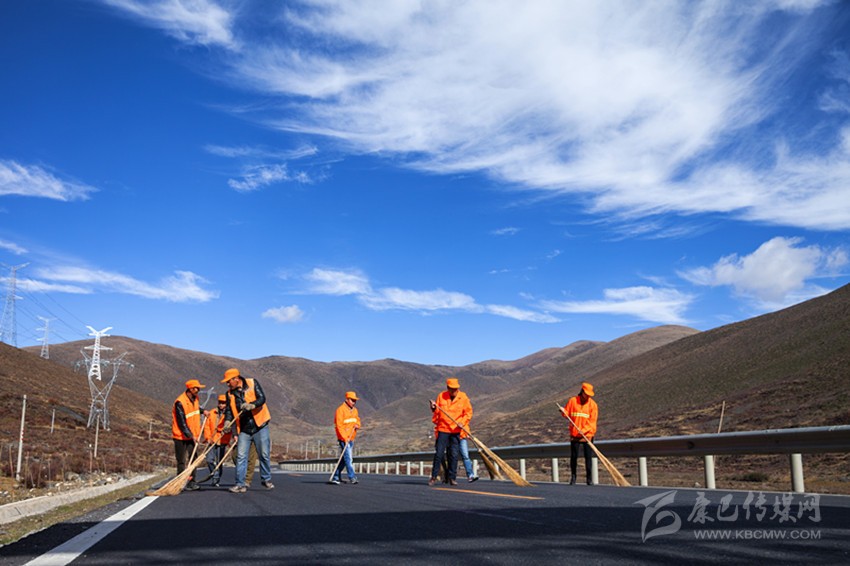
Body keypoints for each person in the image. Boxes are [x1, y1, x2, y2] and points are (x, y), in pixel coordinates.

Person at [222, 368, 274, 493]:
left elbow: (262, 398)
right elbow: (229, 410)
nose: (227, 384)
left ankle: (266, 479)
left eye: (229, 381)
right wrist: (227, 421)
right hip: (244, 429)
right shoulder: (229, 394)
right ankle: (240, 484)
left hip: (260, 425)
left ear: (236, 379)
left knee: (264, 454)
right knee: (241, 456)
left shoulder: (252, 383)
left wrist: (252, 405)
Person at [428, 377, 472, 486]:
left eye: (456, 388)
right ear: (448, 388)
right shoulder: (441, 396)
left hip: (455, 430)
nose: (454, 391)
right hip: (443, 429)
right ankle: (433, 477)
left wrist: (462, 422)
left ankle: (452, 478)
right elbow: (437, 413)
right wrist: (433, 408)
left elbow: (468, 413)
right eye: (452, 389)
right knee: (439, 454)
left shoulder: (463, 397)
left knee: (454, 455)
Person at [172, 379, 207, 491]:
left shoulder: (195, 399)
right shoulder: (180, 402)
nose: (198, 390)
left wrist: (203, 411)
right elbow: (182, 423)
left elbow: (195, 409)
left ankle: (192, 482)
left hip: (192, 436)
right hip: (180, 436)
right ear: (190, 389)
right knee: (181, 460)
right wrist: (191, 435)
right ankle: (179, 483)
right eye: (196, 388)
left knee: (193, 459)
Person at [562, 382, 598, 485]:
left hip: (587, 435)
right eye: (586, 394)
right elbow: (567, 414)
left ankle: (589, 479)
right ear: (582, 392)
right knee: (574, 457)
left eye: (589, 395)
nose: (588, 396)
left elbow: (592, 422)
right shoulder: (572, 401)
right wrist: (563, 411)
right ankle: (573, 477)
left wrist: (584, 430)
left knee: (588, 457)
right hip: (575, 434)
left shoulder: (593, 405)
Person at [329, 391, 361, 485]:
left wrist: (358, 425)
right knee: (348, 458)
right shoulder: (340, 410)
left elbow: (357, 420)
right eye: (352, 400)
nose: (354, 402)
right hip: (344, 439)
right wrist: (344, 438)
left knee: (344, 459)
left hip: (351, 438)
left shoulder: (355, 410)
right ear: (347, 399)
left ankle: (335, 476)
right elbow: (339, 426)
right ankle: (352, 477)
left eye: (355, 400)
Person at [203, 394, 232, 487]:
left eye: (223, 403)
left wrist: (227, 439)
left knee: (219, 461)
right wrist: (208, 438)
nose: (221, 405)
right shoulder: (212, 413)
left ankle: (216, 478)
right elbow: (206, 427)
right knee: (209, 460)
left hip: (222, 440)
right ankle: (215, 475)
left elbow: (231, 429)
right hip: (211, 441)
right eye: (220, 403)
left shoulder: (229, 415)